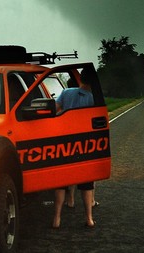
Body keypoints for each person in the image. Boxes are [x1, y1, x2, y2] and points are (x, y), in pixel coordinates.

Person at [52, 68, 97, 229]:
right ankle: (89, 219)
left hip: (64, 141)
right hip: (84, 144)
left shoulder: (66, 92)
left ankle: (56, 219)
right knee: (86, 183)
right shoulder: (93, 98)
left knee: (61, 181)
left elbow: (54, 111)